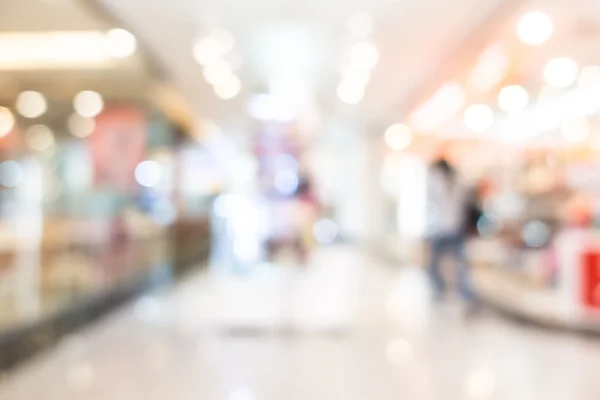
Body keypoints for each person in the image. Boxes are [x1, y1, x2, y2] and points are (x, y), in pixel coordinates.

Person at [426, 157, 478, 306]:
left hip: (447, 229)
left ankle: (445, 291)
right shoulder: (459, 182)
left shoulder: (439, 181)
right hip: (452, 229)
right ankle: (459, 294)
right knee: (458, 266)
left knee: (444, 265)